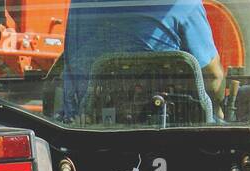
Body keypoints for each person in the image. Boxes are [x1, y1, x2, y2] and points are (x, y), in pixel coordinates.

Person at [60, 0, 226, 120]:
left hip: (87, 125)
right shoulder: (185, 5)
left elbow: (74, 61)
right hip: (167, 127)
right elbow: (213, 78)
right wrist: (218, 110)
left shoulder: (81, 5)